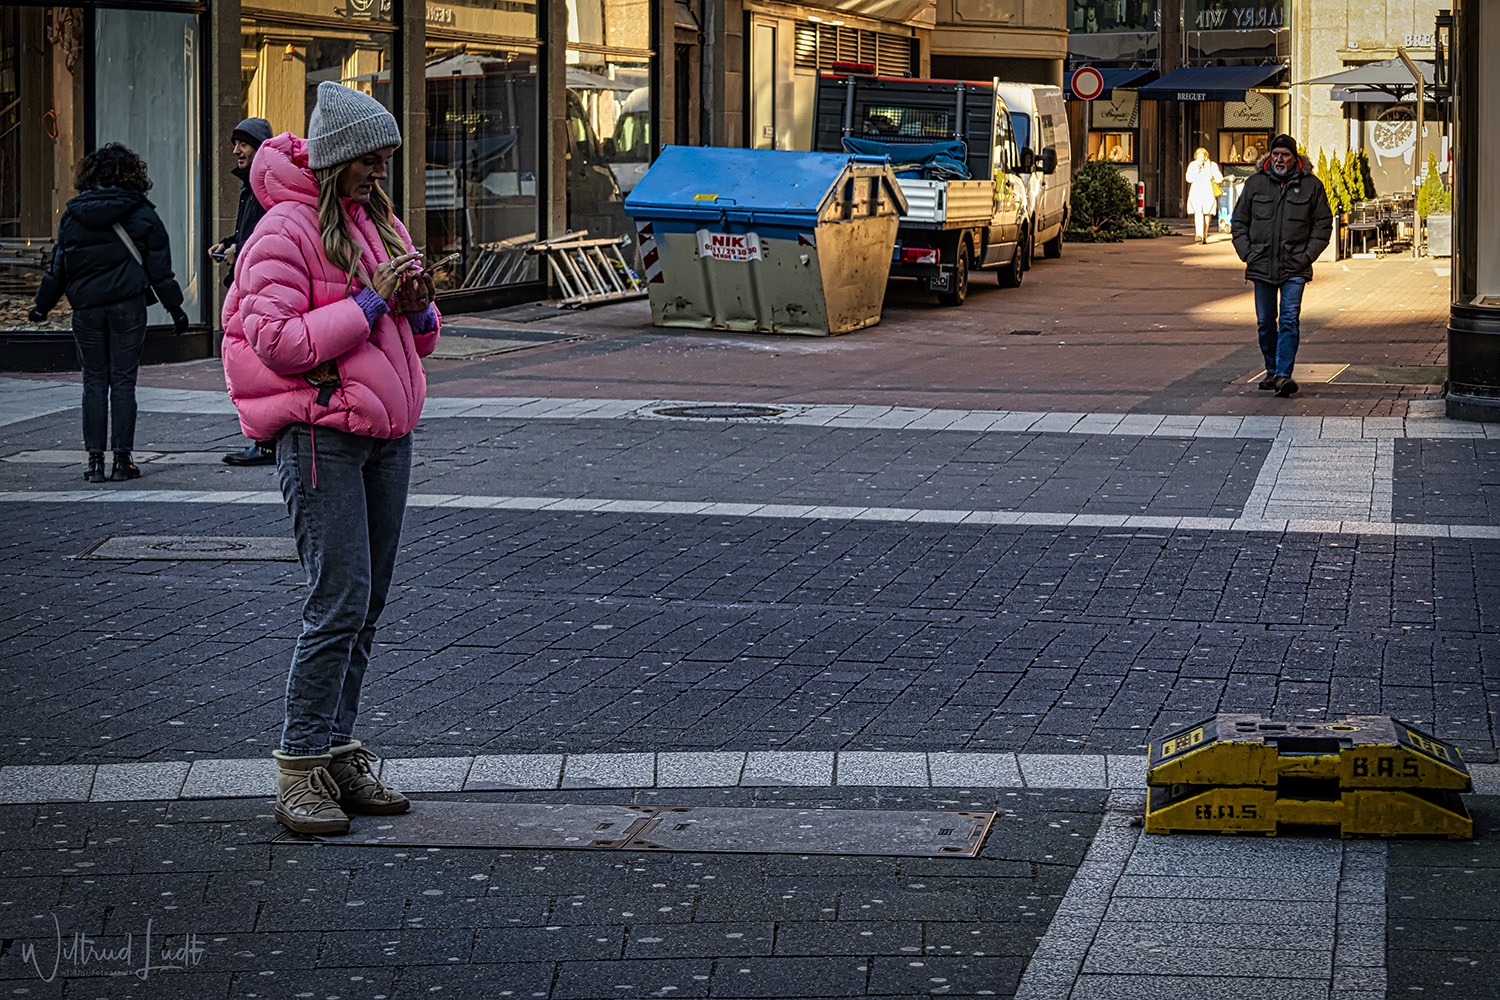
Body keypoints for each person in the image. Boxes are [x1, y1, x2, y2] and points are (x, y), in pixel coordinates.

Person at [221, 82, 441, 834]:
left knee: (367, 603)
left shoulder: (374, 222)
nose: (382, 174)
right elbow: (277, 341)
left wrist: (417, 305)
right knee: (338, 599)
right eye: (372, 162)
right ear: (339, 157)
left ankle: (338, 752)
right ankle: (300, 765)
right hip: (321, 434)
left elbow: (419, 341)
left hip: (386, 436)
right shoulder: (282, 231)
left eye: (386, 161)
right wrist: (374, 304)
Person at [28, 143, 187, 483]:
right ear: (133, 174)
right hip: (128, 306)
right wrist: (176, 309)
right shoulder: (143, 214)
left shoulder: (73, 215)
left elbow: (59, 269)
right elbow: (161, 271)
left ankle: (95, 462)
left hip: (86, 310)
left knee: (94, 382)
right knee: (124, 382)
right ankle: (123, 460)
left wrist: (42, 306)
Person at [1231, 133, 1333, 398]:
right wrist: (1247, 253)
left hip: (1295, 266)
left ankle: (1283, 375)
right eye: (1276, 154)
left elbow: (1323, 224)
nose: (1280, 159)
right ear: (1270, 156)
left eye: (1285, 155)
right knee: (1266, 322)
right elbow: (1239, 221)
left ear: (1294, 158)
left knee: (1289, 319)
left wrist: (1307, 255)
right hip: (1261, 263)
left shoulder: (1311, 186)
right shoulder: (1255, 184)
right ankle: (1271, 369)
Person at [214, 117, 276, 467]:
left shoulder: (262, 186)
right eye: (235, 144)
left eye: (243, 143)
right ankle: (264, 439)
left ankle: (265, 442)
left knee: (256, 368)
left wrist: (243, 248)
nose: (236, 150)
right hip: (251, 282)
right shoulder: (252, 185)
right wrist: (229, 244)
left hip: (258, 287)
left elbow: (268, 235)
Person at [1185, 147, 1223, 244]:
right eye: (1198, 157)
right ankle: (1199, 234)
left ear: (1206, 157)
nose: (1200, 160)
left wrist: (1214, 177)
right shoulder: (1193, 165)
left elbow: (1219, 178)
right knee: (1198, 212)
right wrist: (1197, 168)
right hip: (1196, 192)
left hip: (1208, 191)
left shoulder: (1211, 165)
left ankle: (1204, 235)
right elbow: (1189, 178)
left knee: (1207, 214)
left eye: (1202, 158)